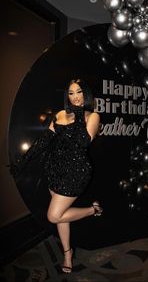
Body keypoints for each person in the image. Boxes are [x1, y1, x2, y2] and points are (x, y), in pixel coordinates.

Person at [10, 78, 103, 274]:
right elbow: (44, 141)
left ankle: (92, 210)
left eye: (79, 92)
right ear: (67, 96)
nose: (75, 97)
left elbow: (83, 142)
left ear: (85, 95)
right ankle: (68, 253)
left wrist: (78, 114)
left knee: (54, 215)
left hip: (75, 173)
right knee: (61, 217)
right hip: (54, 170)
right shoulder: (60, 114)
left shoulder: (93, 116)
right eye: (71, 93)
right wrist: (23, 161)